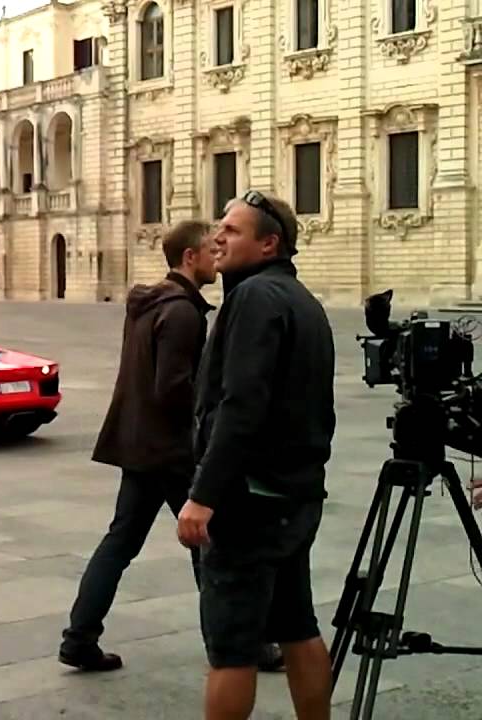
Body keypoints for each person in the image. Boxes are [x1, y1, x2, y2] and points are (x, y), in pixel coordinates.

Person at [177, 190, 336, 720]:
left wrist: (203, 495)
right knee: (297, 625)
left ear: (269, 244)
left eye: (233, 230)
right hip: (295, 495)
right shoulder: (303, 301)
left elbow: (241, 406)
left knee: (230, 649)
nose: (217, 236)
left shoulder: (253, 299)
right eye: (219, 227)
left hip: (250, 501)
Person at [57, 219, 219, 672]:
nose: (217, 257)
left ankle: (79, 638)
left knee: (120, 542)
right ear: (190, 257)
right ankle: (232, 644)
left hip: (140, 445)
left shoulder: (151, 304)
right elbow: (173, 388)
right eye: (210, 250)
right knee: (209, 542)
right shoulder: (183, 313)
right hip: (170, 450)